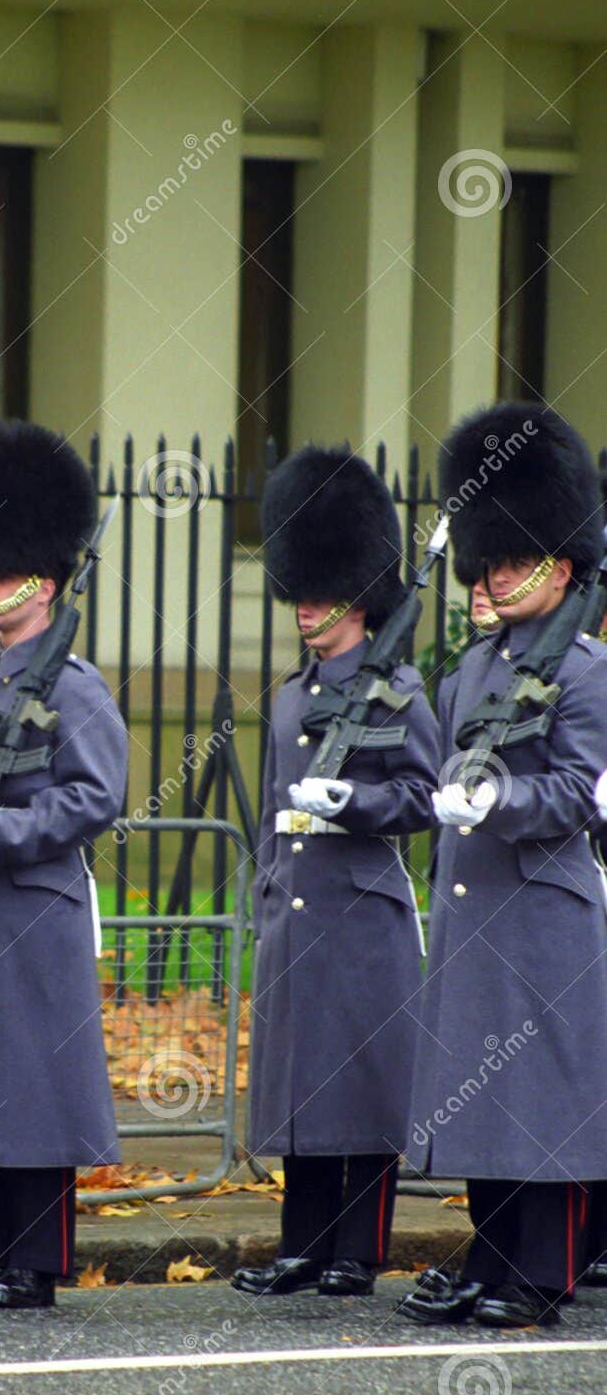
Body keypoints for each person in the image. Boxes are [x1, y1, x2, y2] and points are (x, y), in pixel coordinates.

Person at [399, 402, 607, 1330]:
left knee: (546, 1101)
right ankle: (489, 1258)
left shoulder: (591, 672)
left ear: (560, 567)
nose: (492, 576)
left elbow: (579, 791)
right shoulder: (469, 669)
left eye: (513, 560)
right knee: (479, 1097)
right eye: (488, 560)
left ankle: (543, 1275)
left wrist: (500, 803)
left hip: (544, 908)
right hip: (473, 904)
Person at [0, 421, 128, 1312]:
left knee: (35, 1086)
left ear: (43, 581)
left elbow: (95, 797)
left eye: (1, 575)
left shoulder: (72, 687)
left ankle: (35, 1263)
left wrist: (1, 830)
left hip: (35, 904)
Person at [231, 447, 437, 1299]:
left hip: (363, 913)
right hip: (298, 910)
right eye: (300, 595)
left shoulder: (397, 692)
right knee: (302, 1088)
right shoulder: (289, 695)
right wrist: (267, 892)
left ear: (356, 597)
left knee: (363, 1088)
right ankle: (303, 1246)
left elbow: (424, 796)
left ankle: (358, 1251)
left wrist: (352, 800)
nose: (306, 611)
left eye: (320, 596)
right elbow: (277, 814)